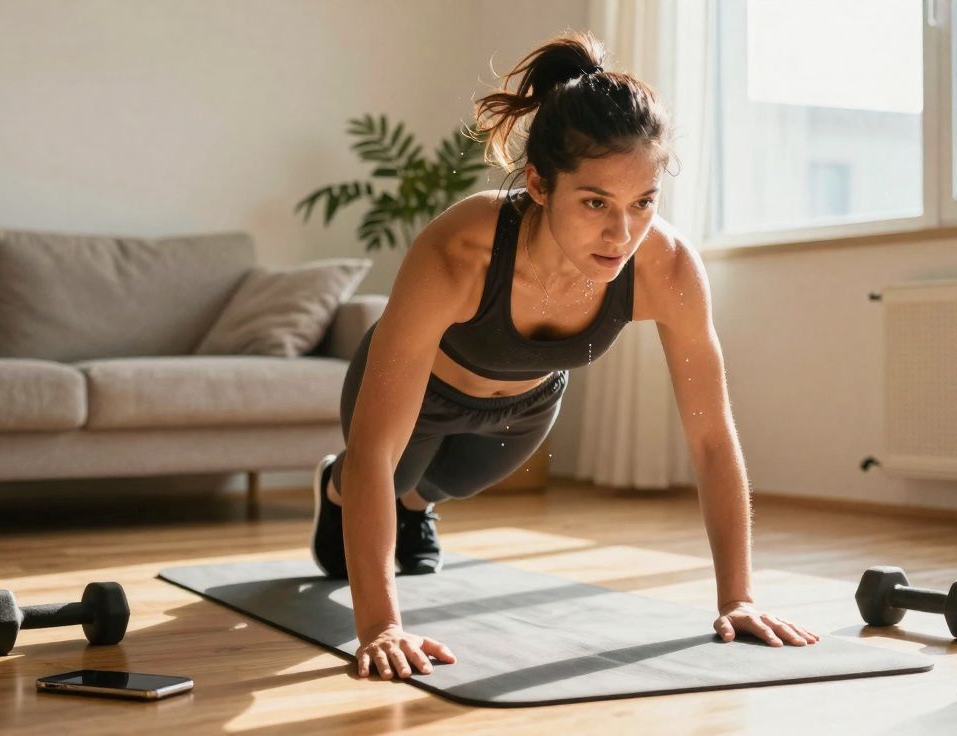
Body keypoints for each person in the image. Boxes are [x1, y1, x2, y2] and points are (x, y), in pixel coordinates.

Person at [309, 30, 820, 682]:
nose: (622, 233)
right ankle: (335, 483)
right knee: (386, 471)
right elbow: (378, 450)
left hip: (525, 405)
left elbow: (712, 439)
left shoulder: (669, 269)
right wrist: (381, 627)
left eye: (643, 203)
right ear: (540, 185)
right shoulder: (460, 251)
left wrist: (739, 598)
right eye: (596, 203)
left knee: (449, 484)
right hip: (424, 391)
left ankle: (415, 508)